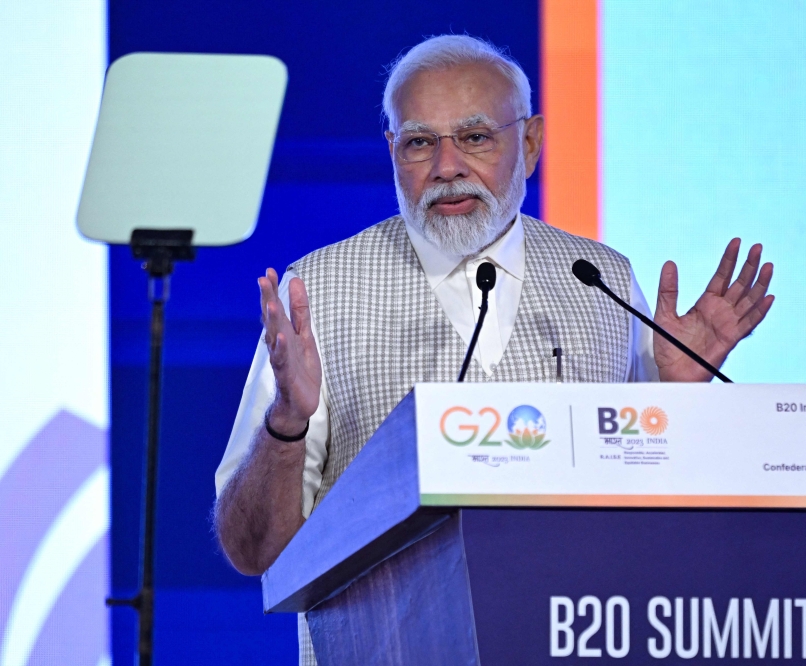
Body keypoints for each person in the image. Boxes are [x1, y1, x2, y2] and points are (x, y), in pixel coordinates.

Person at [214, 34, 773, 665]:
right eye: (420, 142)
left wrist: (677, 396)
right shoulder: (318, 293)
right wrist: (285, 424)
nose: (447, 166)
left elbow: (658, 519)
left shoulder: (602, 280)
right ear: (392, 152)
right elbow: (253, 551)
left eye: (476, 137)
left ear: (530, 144)